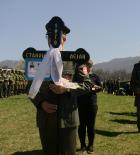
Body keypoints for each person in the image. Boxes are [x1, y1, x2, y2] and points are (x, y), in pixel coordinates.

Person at [29, 16, 93, 155]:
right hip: (46, 120)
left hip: (68, 120)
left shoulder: (75, 60)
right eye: (50, 36)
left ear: (65, 39)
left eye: (58, 37)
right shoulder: (37, 61)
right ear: (47, 38)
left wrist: (66, 88)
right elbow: (30, 87)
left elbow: (87, 85)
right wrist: (41, 103)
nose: (54, 40)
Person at [74, 60, 102, 154]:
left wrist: (92, 88)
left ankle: (90, 145)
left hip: (92, 104)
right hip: (80, 103)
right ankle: (82, 145)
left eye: (89, 66)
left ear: (91, 66)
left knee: (91, 126)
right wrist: (90, 87)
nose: (87, 67)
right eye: (86, 65)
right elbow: (76, 86)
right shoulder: (79, 75)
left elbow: (100, 88)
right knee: (81, 126)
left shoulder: (95, 76)